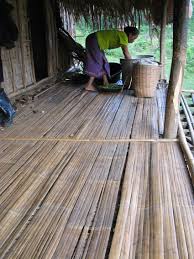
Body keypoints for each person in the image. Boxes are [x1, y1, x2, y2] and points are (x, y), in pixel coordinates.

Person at [84, 26, 139, 91]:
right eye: (134, 38)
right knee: (98, 63)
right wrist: (132, 64)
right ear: (130, 35)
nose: (134, 40)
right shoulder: (124, 36)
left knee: (104, 62)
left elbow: (126, 53)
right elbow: (126, 53)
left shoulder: (122, 35)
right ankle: (89, 85)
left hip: (94, 39)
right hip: (94, 40)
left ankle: (105, 82)